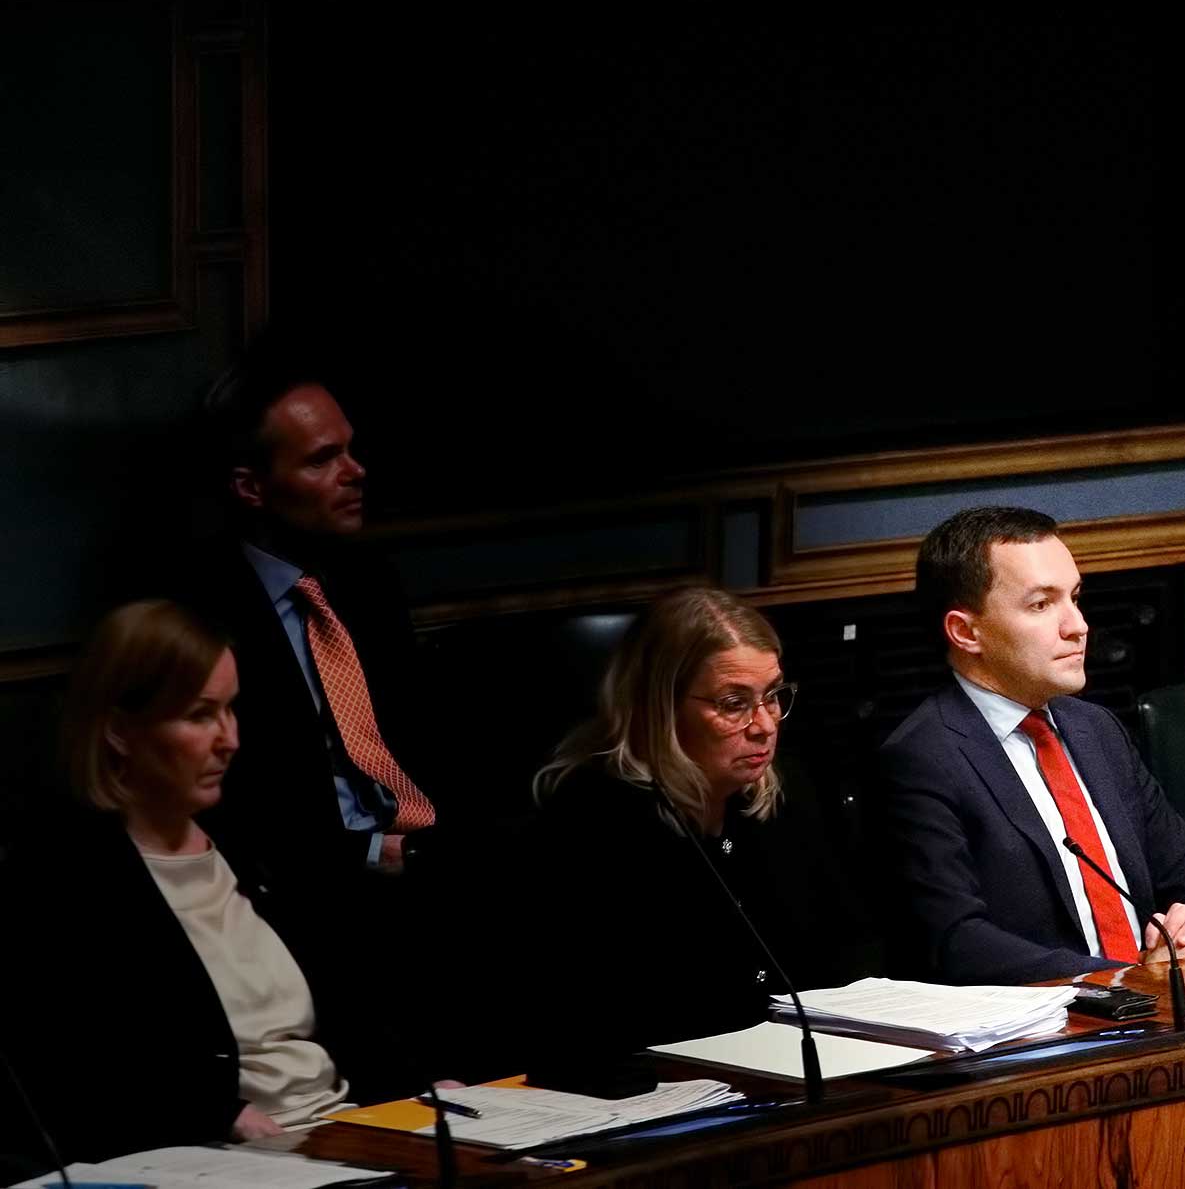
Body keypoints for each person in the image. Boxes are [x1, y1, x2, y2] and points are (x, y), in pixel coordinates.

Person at [0, 601, 426, 1167]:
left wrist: (424, 1092)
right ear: (122, 731)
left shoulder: (254, 848)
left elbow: (355, 1018)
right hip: (221, 1161)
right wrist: (218, 1112)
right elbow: (84, 1077)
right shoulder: (64, 882)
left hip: (349, 1132)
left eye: (230, 710)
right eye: (201, 715)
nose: (230, 739)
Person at [877, 506, 1185, 985]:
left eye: (1074, 597)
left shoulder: (1097, 730)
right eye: (1041, 605)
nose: (1077, 625)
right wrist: (1125, 978)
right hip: (1039, 1037)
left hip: (1165, 1009)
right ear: (966, 632)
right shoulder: (922, 757)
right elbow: (958, 942)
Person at [526, 588, 861, 1073]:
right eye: (733, 703)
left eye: (773, 697)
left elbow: (847, 942)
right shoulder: (596, 820)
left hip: (795, 1070)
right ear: (659, 705)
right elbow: (594, 1010)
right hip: (660, 1086)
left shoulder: (786, 795)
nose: (764, 725)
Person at [180, 349, 449, 883]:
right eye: (322, 460)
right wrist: (370, 856)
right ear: (250, 487)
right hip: (307, 882)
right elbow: (240, 811)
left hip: (427, 852)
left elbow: (419, 736)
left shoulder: (368, 580)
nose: (356, 471)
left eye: (350, 450)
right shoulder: (202, 617)